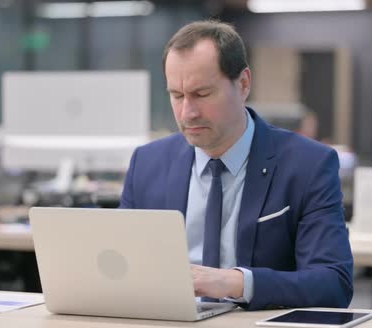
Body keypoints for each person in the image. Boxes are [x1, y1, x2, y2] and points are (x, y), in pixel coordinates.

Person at [120, 20, 353, 311]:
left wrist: (235, 283)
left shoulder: (308, 165)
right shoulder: (148, 163)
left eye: (202, 94)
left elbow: (334, 284)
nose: (187, 112)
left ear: (243, 84)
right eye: (176, 96)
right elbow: (121, 270)